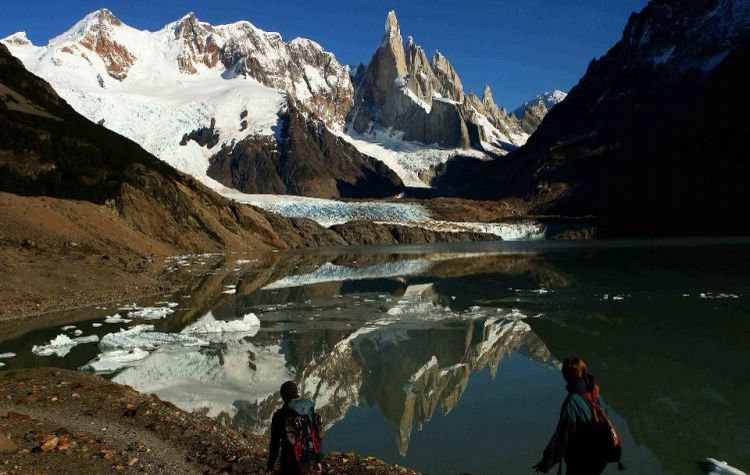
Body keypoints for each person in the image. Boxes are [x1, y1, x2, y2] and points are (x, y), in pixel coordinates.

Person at [533, 357, 621, 475]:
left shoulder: (572, 401)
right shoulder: (594, 393)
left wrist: (544, 465)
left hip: (580, 461)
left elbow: (562, 437)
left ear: (567, 376)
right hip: (598, 458)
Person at [267, 381, 323, 474]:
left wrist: (270, 466)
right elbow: (315, 437)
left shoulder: (279, 415)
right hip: (307, 460)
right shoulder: (307, 412)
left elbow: (275, 444)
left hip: (288, 461)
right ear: (296, 394)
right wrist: (318, 460)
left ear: (283, 396)